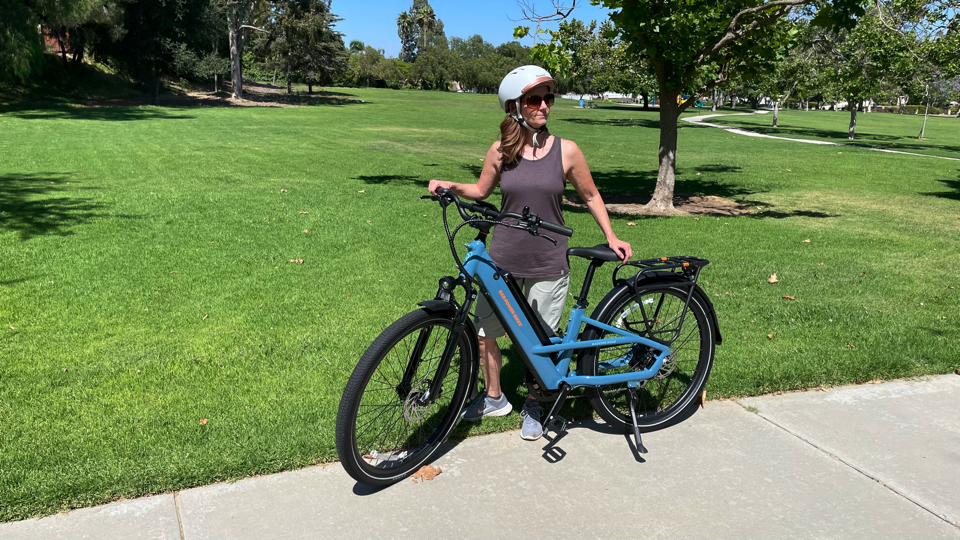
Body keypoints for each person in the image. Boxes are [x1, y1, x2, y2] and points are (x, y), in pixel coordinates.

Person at [427, 66, 632, 441]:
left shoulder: (566, 151)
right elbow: (481, 190)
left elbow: (590, 195)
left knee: (542, 341)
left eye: (548, 98)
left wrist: (612, 234)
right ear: (515, 106)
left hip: (547, 260)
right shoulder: (500, 150)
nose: (544, 106)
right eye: (534, 99)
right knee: (487, 333)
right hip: (502, 258)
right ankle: (494, 398)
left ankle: (536, 404)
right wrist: (451, 185)